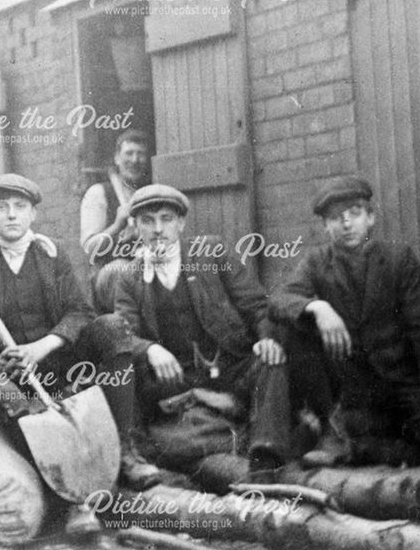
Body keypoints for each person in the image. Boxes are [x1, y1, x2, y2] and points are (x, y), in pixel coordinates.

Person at [0, 173, 168, 536]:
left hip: (58, 360)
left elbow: (80, 311)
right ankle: (70, 499)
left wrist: (44, 345)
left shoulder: (51, 253)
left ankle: (125, 451)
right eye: (1, 208)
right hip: (8, 372)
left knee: (112, 327)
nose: (11, 215)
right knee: (5, 394)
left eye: (20, 207)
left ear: (32, 214)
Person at [269, 175, 420, 467]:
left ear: (370, 218)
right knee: (293, 322)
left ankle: (360, 452)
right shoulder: (316, 263)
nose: (346, 224)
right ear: (325, 226)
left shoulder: (398, 259)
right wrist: (317, 307)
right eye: (336, 218)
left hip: (400, 386)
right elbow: (279, 299)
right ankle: (335, 432)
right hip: (351, 394)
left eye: (354, 214)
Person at [110, 184, 292, 471]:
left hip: (234, 368)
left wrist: (266, 339)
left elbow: (258, 307)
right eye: (148, 221)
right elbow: (121, 334)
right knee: (155, 439)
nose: (158, 229)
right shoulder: (130, 277)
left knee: (272, 361)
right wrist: (150, 348)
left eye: (166, 219)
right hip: (182, 382)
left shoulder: (211, 252)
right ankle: (232, 430)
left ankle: (265, 453)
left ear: (181, 223)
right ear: (136, 227)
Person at [79, 129, 153, 312]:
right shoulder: (99, 193)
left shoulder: (150, 194)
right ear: (117, 158)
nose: (135, 160)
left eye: (141, 154)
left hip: (147, 269)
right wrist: (117, 225)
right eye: (129, 153)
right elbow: (90, 249)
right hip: (110, 276)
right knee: (121, 270)